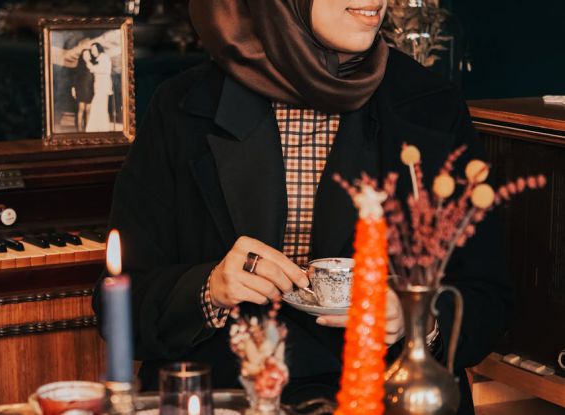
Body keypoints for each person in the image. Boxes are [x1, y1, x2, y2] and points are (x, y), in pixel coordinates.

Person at [93, 1, 511, 414]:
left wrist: (416, 319)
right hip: (226, 397)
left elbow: (488, 298)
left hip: (386, 397)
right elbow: (120, 307)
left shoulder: (430, 104)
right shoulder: (184, 106)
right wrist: (210, 289)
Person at [85, 42, 113, 132]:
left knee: (98, 107)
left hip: (103, 87)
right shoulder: (101, 58)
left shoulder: (104, 57)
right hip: (100, 87)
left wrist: (88, 62)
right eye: (91, 50)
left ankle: (97, 129)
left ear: (98, 49)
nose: (92, 52)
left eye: (93, 49)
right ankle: (100, 129)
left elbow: (101, 70)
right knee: (99, 108)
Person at [71, 49, 95, 132]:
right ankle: (79, 128)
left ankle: (87, 128)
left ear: (90, 55)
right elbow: (74, 78)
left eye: (87, 54)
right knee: (81, 109)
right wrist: (73, 89)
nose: (86, 55)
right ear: (82, 56)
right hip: (81, 89)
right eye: (84, 54)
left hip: (90, 90)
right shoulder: (79, 65)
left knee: (88, 110)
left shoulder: (93, 64)